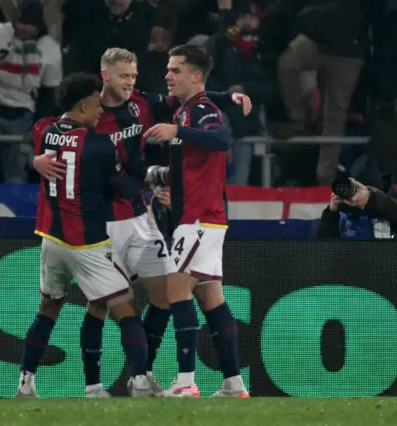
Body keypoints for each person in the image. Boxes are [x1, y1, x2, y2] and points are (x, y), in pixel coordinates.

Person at [29, 47, 252, 397]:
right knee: (101, 305)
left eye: (134, 76)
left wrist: (229, 96)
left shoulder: (143, 105)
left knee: (166, 296)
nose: (131, 83)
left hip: (140, 215)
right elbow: (52, 137)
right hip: (103, 222)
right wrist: (37, 159)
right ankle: (95, 386)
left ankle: (142, 376)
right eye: (124, 77)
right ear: (105, 76)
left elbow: (198, 96)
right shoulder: (87, 114)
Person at [16, 73, 153, 398]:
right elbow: (120, 188)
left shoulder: (47, 133)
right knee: (124, 308)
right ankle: (141, 382)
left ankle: (25, 383)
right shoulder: (99, 144)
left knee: (47, 310)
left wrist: (33, 161)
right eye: (95, 105)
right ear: (82, 104)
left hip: (52, 239)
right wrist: (153, 180)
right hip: (87, 242)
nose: (101, 111)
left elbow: (31, 150)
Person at [143, 44, 248, 398]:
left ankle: (186, 381)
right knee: (212, 300)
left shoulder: (200, 110)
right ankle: (233, 384)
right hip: (201, 218)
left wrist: (177, 133)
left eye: (175, 70)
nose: (167, 76)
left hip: (199, 220)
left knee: (176, 292)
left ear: (196, 76)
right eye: (168, 69)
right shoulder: (188, 108)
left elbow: (220, 138)